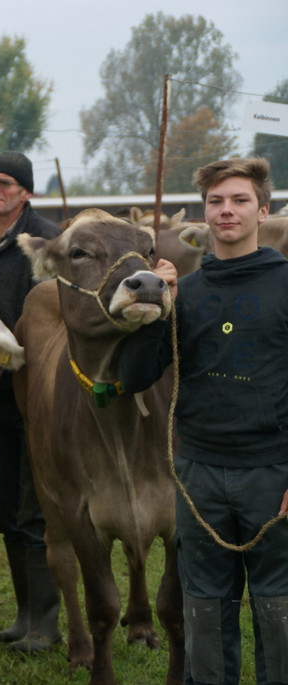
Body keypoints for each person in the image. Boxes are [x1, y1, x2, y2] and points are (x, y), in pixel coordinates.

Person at [118, 158, 288, 685]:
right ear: (204, 214)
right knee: (205, 611)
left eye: (239, 200)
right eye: (216, 201)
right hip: (198, 475)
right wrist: (153, 305)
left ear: (263, 209)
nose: (227, 210)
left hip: (272, 474)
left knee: (278, 609)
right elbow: (134, 377)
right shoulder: (184, 290)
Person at [0, 151, 62, 652]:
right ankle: (25, 614)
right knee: (3, 508)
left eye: (5, 182)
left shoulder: (42, 241)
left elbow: (54, 320)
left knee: (34, 512)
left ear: (26, 192)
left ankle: (47, 625)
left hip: (39, 395)